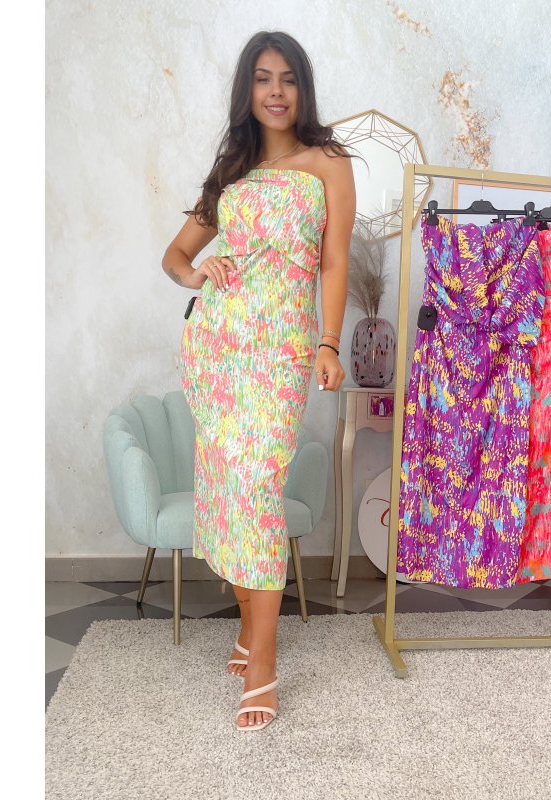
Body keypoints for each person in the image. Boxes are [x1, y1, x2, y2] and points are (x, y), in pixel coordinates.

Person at [162, 30, 355, 731]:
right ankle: (249, 632)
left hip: (279, 354)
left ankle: (264, 661)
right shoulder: (232, 171)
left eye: (288, 79)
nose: (276, 91)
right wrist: (197, 273)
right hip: (218, 348)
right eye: (264, 78)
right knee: (227, 493)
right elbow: (175, 256)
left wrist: (328, 342)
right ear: (248, 89)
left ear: (303, 89)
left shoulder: (328, 162)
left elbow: (333, 261)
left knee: (256, 491)